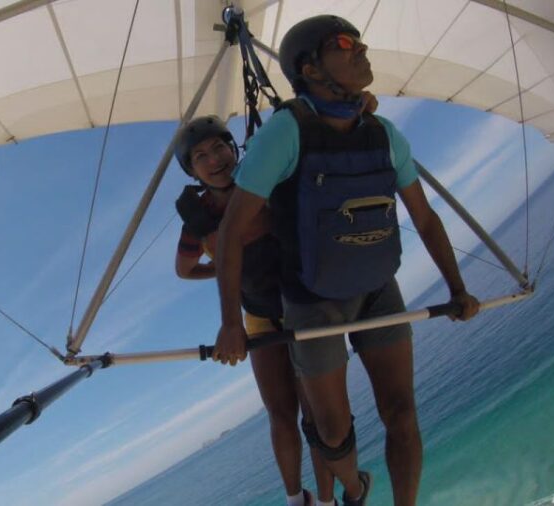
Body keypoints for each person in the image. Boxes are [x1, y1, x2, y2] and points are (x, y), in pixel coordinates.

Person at [212, 15, 480, 506]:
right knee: (332, 431)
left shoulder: (382, 133)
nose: (361, 49)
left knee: (401, 411)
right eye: (344, 43)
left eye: (358, 40)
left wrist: (457, 289)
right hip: (312, 300)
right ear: (310, 69)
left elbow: (424, 217)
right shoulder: (286, 133)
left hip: (378, 286)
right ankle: (355, 491)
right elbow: (231, 232)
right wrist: (232, 323)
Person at [173, 116, 334, 506]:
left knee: (315, 413)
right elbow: (185, 269)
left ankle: (328, 500)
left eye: (219, 148)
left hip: (303, 308)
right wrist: (228, 268)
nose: (214, 159)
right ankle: (297, 500)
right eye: (201, 156)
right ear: (192, 170)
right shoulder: (200, 218)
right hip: (259, 317)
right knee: (281, 413)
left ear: (234, 149)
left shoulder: (265, 182)